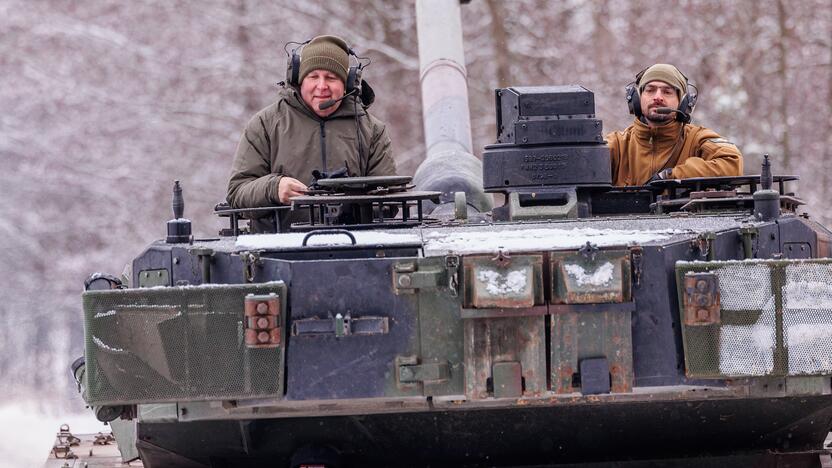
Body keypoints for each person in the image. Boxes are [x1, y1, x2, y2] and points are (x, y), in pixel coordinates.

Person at [226, 35, 397, 230]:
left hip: (355, 250)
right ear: (299, 79)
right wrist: (273, 188)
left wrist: (353, 202)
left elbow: (388, 202)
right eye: (313, 76)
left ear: (348, 83)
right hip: (279, 252)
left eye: (331, 78)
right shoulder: (265, 124)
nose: (322, 86)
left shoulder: (372, 131)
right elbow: (237, 192)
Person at [606, 63, 742, 186]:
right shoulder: (618, 144)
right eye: (650, 90)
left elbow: (732, 162)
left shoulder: (697, 139)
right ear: (636, 99)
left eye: (667, 92)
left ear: (683, 103)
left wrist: (671, 176)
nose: (658, 97)